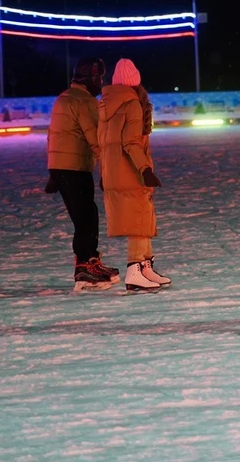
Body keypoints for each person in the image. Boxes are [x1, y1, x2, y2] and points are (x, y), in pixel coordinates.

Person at [47, 56, 119, 291]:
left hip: (61, 166)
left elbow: (55, 135)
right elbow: (94, 138)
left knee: (83, 216)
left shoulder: (64, 97)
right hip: (75, 166)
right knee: (86, 217)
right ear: (91, 78)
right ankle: (86, 266)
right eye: (100, 78)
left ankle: (89, 262)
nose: (102, 82)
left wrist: (53, 171)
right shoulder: (85, 101)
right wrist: (108, 169)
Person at [98, 58, 170, 292]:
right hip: (130, 170)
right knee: (138, 219)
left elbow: (102, 143)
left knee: (143, 216)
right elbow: (130, 143)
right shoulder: (131, 104)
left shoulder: (104, 105)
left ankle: (145, 266)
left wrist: (104, 172)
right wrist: (145, 170)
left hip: (113, 171)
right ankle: (134, 269)